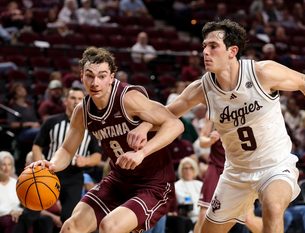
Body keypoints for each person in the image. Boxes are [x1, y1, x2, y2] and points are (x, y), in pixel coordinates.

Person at [127, 19, 305, 233]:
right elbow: (167, 113)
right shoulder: (201, 89)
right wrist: (145, 126)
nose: (205, 51)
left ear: (232, 51)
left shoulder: (262, 72)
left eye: (213, 46)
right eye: (204, 46)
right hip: (236, 172)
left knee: (272, 207)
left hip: (275, 165)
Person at [30, 47, 184, 233]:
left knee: (109, 227)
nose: (95, 82)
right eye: (90, 76)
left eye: (102, 76)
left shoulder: (128, 99)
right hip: (119, 180)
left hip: (152, 183)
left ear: (111, 77)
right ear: (82, 77)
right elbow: (67, 150)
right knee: (71, 227)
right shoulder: (82, 111)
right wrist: (51, 165)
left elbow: (175, 124)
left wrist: (142, 152)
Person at [32, 86, 103, 223]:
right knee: (32, 210)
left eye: (79, 98)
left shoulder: (91, 126)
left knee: (68, 217)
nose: (75, 101)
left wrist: (86, 161)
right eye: (72, 98)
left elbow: (97, 156)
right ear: (65, 101)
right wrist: (39, 168)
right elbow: (37, 145)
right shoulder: (52, 121)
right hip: (51, 172)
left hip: (74, 176)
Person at [0, 151, 23, 233]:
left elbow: (20, 204)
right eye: (4, 164)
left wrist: (19, 211)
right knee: (11, 221)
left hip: (17, 213)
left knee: (25, 218)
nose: (7, 168)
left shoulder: (15, 183)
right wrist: (10, 212)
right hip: (3, 215)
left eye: (9, 164)